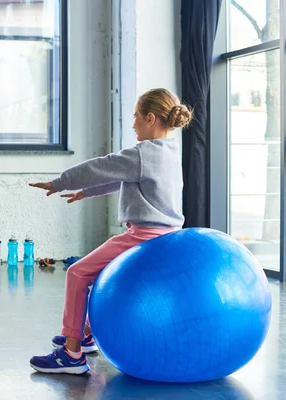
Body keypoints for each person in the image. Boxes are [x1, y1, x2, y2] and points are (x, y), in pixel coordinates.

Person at [28, 88, 192, 374]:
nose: (132, 124)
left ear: (150, 118)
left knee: (77, 273)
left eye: (135, 117)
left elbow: (100, 167)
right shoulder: (170, 152)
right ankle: (85, 333)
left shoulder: (142, 154)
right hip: (169, 237)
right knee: (101, 273)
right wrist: (86, 193)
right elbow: (123, 178)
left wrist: (59, 183)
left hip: (143, 236)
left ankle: (72, 352)